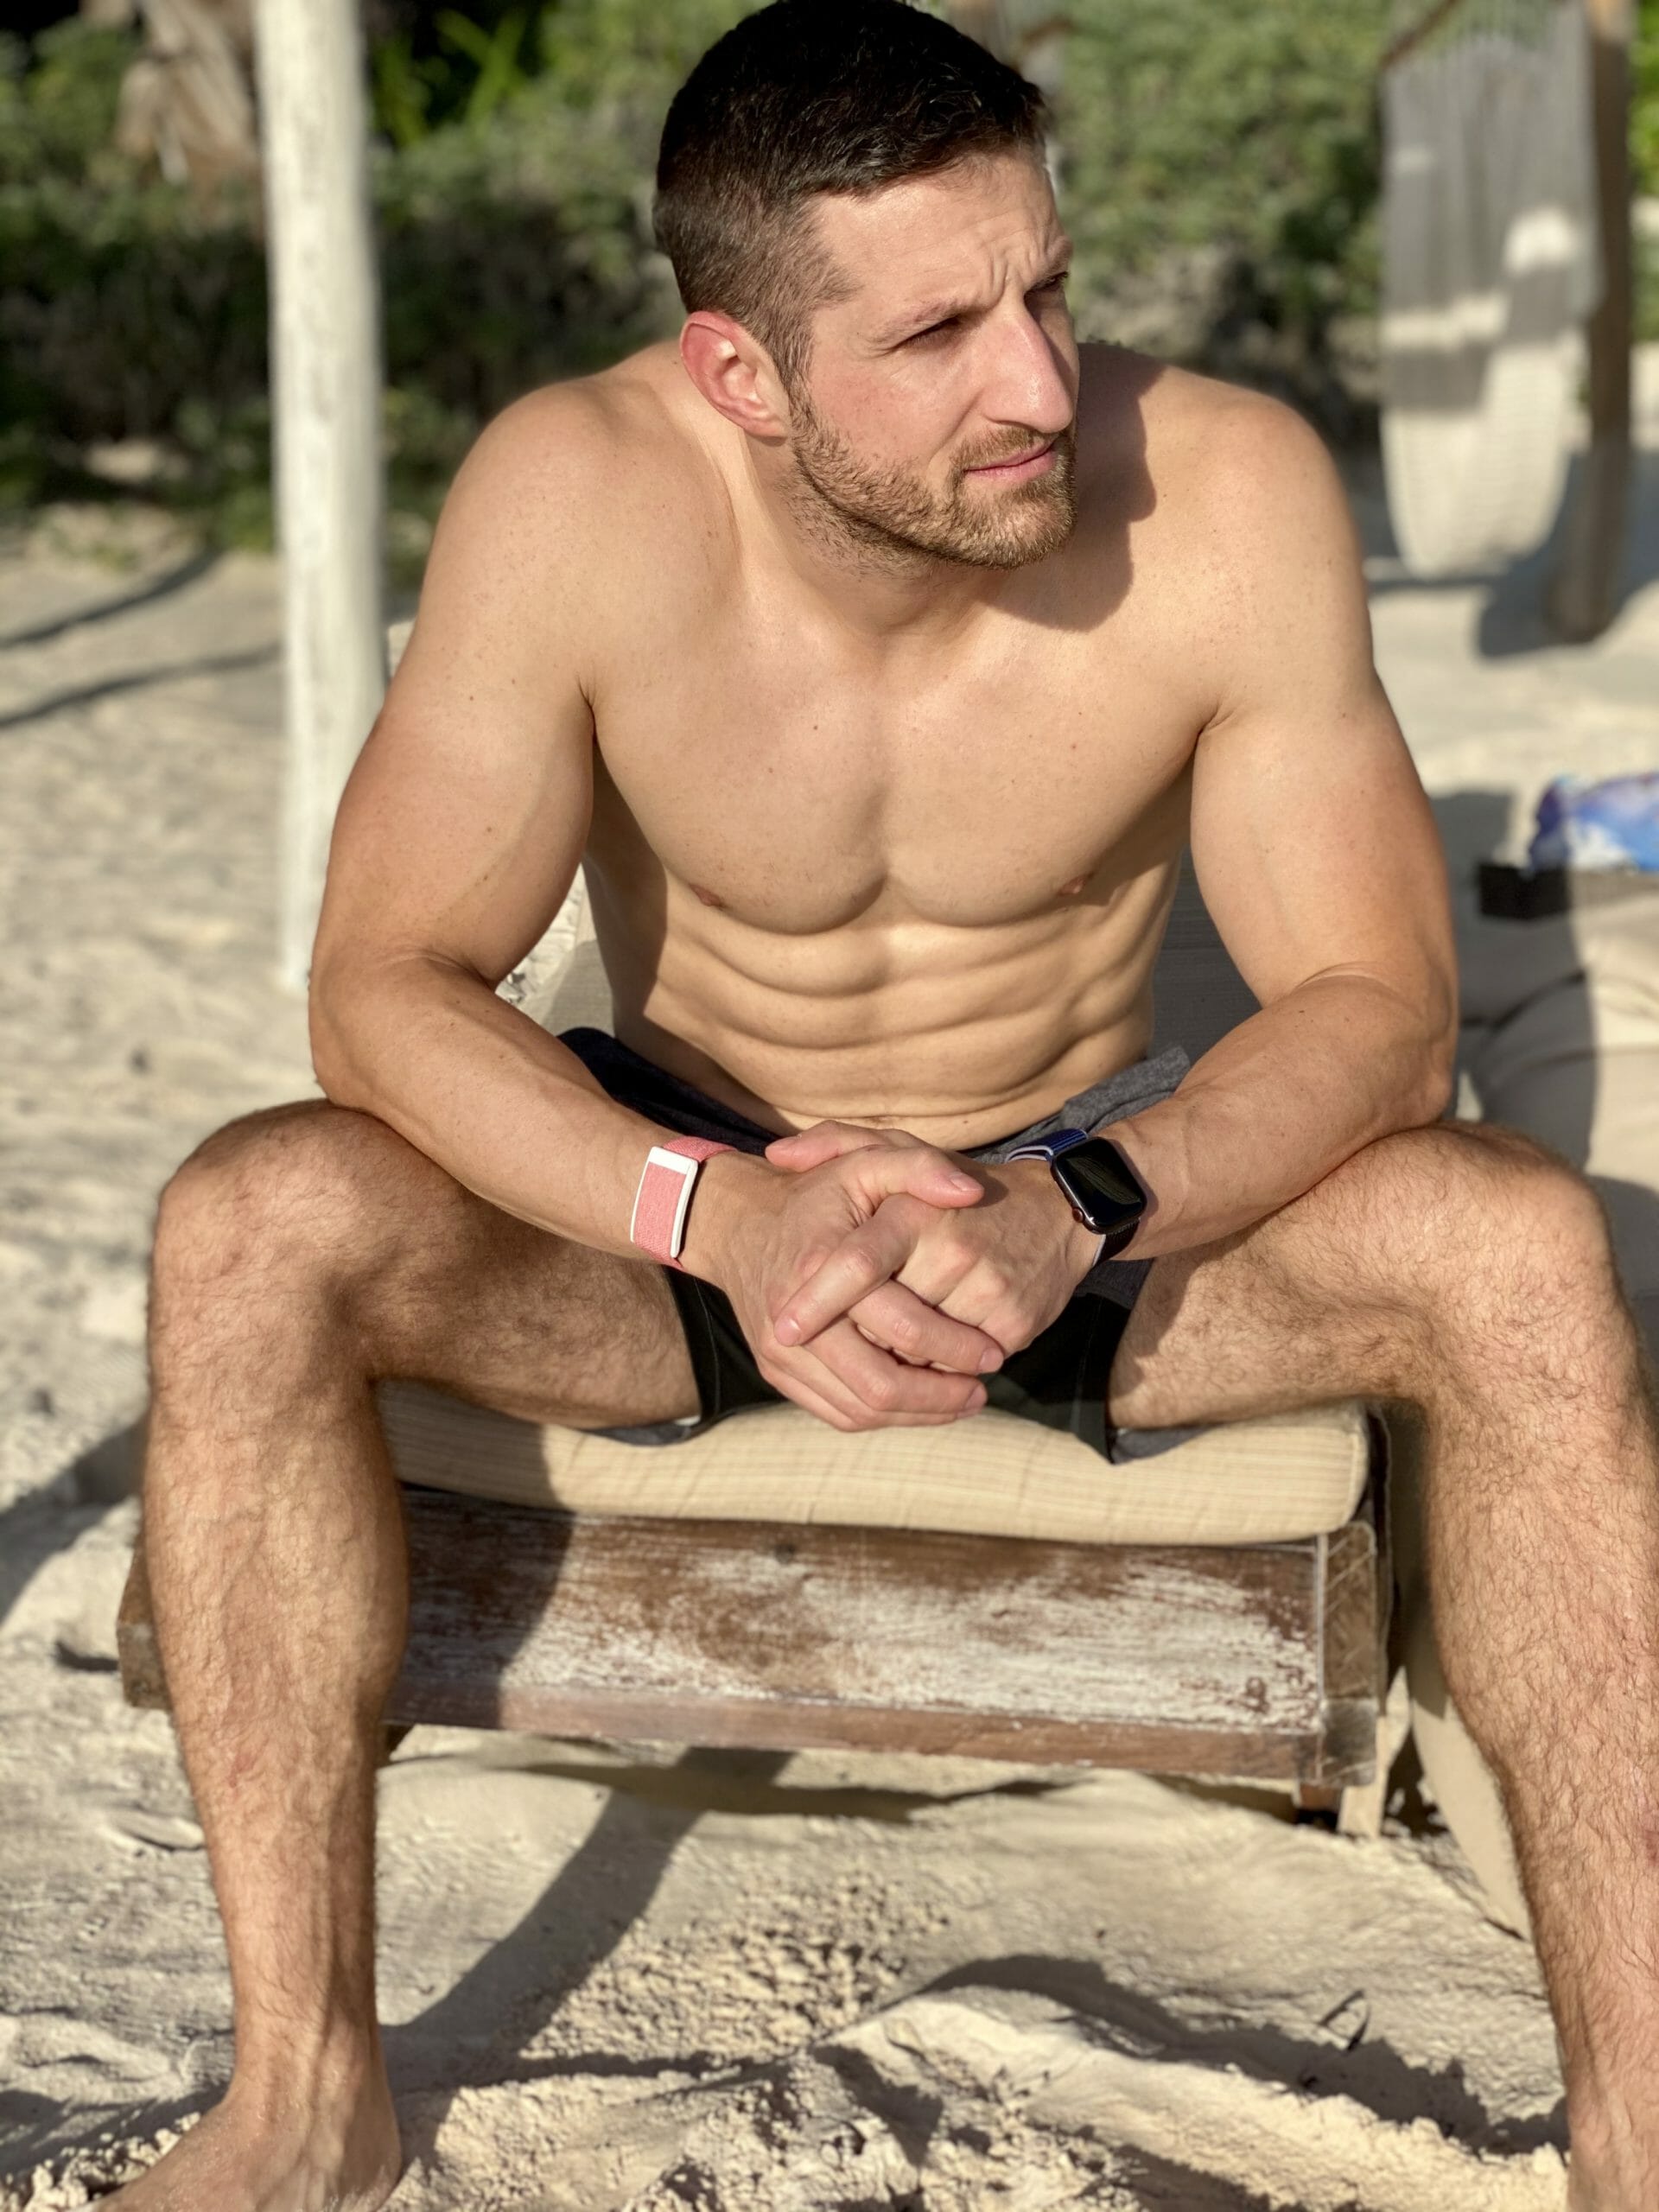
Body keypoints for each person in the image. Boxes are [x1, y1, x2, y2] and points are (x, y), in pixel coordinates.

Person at [123, 3, 1659, 2206]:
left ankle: (1641, 2131)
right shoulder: (574, 497)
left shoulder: (1221, 489)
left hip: (1083, 1191)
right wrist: (716, 1211)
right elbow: (381, 985)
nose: (1036, 384)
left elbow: (1380, 1003)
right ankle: (304, 2095)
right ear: (742, 372)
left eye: (1047, 287)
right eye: (938, 331)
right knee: (249, 1215)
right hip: (691, 1208)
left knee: (1515, 1237)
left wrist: (1081, 1195)